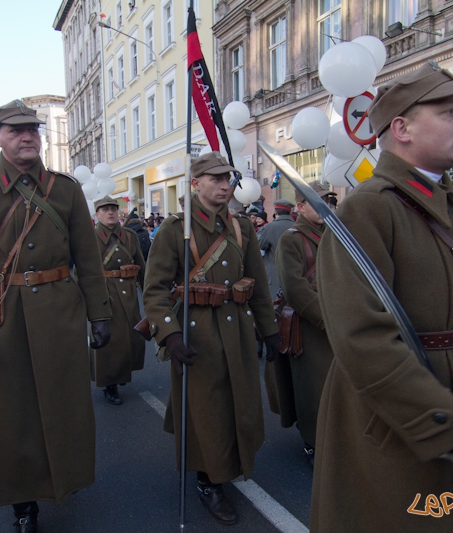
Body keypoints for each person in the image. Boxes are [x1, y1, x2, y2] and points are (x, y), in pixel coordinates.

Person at [310, 61, 453, 532]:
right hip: (396, 423)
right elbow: (362, 339)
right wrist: (451, 423)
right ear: (401, 128)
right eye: (447, 111)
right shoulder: (369, 209)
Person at [0, 99, 112, 532]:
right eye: (15, 130)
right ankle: (22, 503)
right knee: (10, 415)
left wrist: (100, 314)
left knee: (62, 406)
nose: (27, 135)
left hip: (59, 313)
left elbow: (88, 260)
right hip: (1, 319)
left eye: (33, 128)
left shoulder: (65, 189)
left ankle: (61, 480)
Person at [142, 152, 280, 525]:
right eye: (215, 179)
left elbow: (259, 284)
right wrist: (169, 335)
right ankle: (209, 480)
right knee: (208, 409)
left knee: (241, 401)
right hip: (196, 331)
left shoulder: (241, 227)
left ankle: (231, 463)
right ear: (195, 183)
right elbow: (154, 290)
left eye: (227, 180)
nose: (224, 186)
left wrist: (270, 330)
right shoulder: (175, 229)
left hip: (237, 327)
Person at [264, 182, 334, 464]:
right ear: (301, 207)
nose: (325, 206)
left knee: (338, 388)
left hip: (340, 322)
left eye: (329, 201)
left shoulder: (337, 235)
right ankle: (313, 441)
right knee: (313, 389)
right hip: (311, 327)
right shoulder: (292, 239)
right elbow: (295, 288)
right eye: (317, 201)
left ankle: (336, 437)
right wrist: (328, 320)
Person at [91, 196, 146, 405]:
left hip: (129, 292)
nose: (111, 212)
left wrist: (150, 291)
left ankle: (121, 373)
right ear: (97, 214)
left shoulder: (129, 235)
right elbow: (82, 273)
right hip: (104, 294)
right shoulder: (90, 237)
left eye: (113, 208)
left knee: (130, 336)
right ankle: (109, 383)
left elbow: (142, 265)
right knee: (109, 340)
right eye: (105, 209)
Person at [256, 199, 295, 301]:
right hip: (296, 273)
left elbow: (260, 245)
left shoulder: (269, 227)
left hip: (274, 275)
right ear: (290, 212)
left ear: (276, 212)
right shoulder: (298, 226)